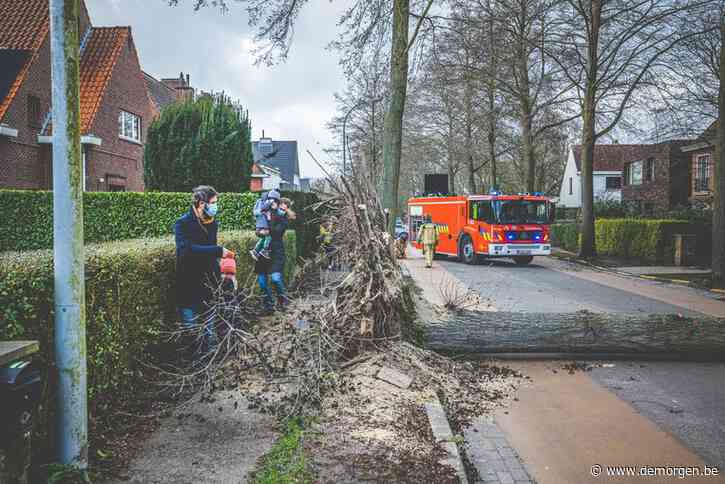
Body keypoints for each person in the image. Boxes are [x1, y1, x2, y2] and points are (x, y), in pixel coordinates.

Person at [174, 185, 235, 355]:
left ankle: (210, 363)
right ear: (201, 203)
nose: (216, 206)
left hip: (208, 283)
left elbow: (211, 255)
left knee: (209, 332)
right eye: (213, 202)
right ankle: (195, 364)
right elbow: (186, 250)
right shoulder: (182, 224)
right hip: (188, 282)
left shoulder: (212, 224)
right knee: (192, 332)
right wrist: (217, 250)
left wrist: (224, 273)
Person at [255, 197, 296, 314]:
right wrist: (259, 231)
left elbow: (276, 232)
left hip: (277, 252)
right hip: (264, 252)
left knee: (276, 279)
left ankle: (283, 301)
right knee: (262, 282)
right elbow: (258, 230)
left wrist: (267, 223)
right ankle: (269, 305)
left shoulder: (283, 219)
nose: (282, 207)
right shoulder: (265, 214)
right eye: (280, 205)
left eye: (285, 206)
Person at [250, 189, 282, 261]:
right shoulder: (263, 202)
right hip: (261, 225)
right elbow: (256, 212)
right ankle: (264, 250)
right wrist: (262, 212)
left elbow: (277, 211)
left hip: (264, 225)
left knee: (265, 238)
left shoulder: (268, 202)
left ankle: (256, 250)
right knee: (269, 234)